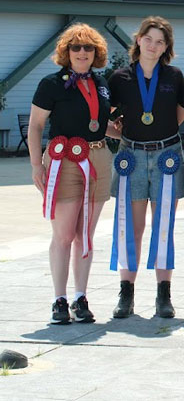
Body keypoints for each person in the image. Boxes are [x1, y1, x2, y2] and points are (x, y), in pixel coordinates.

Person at [28, 23, 113, 324]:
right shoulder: (51, 83)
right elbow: (36, 126)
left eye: (88, 47)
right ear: (66, 52)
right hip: (63, 160)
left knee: (85, 236)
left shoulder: (102, 83)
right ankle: (59, 299)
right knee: (64, 234)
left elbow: (102, 122)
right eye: (75, 47)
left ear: (96, 53)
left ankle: (81, 296)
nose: (82, 52)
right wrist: (37, 164)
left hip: (99, 158)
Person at [107, 16, 184, 319]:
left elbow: (181, 113)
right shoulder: (119, 78)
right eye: (149, 38)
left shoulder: (175, 76)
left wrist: (161, 133)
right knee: (132, 227)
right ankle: (126, 294)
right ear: (138, 39)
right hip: (133, 158)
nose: (153, 45)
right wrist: (123, 135)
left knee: (164, 226)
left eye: (160, 41)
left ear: (166, 47)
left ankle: (163, 294)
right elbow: (101, 115)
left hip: (167, 155)